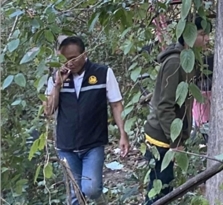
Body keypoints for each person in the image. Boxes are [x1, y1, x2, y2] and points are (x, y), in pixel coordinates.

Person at [44, 36, 130, 205]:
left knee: (91, 188)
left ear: (84, 54)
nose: (70, 63)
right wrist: (57, 85)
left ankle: (99, 199)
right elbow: (48, 110)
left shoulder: (103, 73)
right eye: (65, 59)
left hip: (93, 143)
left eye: (73, 58)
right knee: (76, 195)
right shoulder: (56, 78)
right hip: (66, 146)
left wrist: (123, 134)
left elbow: (116, 105)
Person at [143, 16, 210, 204]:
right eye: (202, 35)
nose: (207, 39)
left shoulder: (190, 60)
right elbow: (165, 106)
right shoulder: (175, 62)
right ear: (187, 35)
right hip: (161, 137)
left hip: (168, 135)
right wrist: (175, 141)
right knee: (159, 191)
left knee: (165, 187)